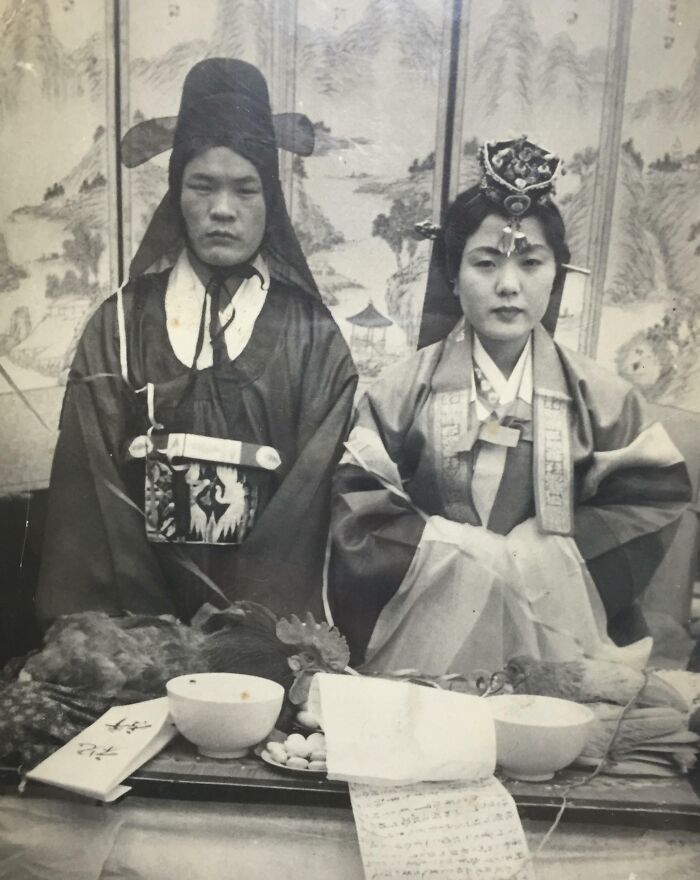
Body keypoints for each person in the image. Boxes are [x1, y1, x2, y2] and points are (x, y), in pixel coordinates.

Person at [328, 137, 691, 676]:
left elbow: (650, 501)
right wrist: (459, 553)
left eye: (530, 262)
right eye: (485, 262)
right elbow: (359, 512)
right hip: (428, 636)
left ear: (556, 273)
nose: (507, 286)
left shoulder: (605, 398)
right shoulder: (399, 392)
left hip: (563, 635)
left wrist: (542, 552)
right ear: (452, 274)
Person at [36, 59, 357, 624]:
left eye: (245, 189)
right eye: (202, 186)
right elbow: (92, 497)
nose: (223, 210)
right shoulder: (118, 326)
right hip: (134, 620)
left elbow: (309, 505)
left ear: (271, 198)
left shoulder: (314, 340)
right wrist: (145, 630)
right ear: (176, 193)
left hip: (265, 624)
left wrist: (249, 626)